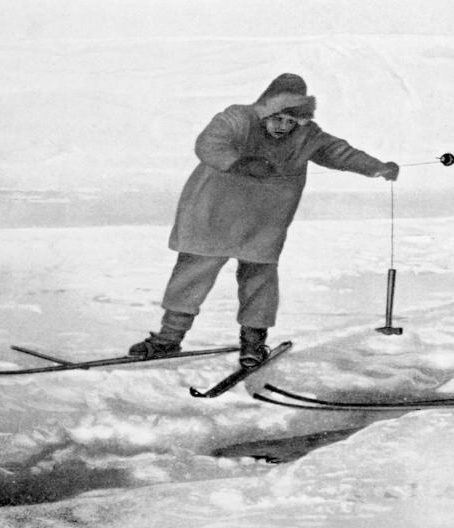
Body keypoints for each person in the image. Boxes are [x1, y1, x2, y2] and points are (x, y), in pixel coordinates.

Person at [130, 73, 399, 367]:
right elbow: (209, 143)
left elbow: (339, 152)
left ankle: (253, 344)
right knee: (192, 275)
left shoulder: (308, 136)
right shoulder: (237, 119)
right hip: (214, 214)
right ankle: (168, 338)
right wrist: (239, 163)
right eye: (277, 118)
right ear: (265, 111)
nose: (283, 126)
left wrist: (377, 167)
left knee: (260, 280)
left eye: (291, 121)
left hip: (264, 222)